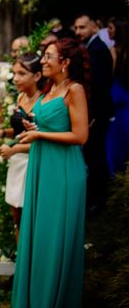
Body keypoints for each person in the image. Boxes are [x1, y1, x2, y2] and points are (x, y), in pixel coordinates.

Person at [12, 38, 89, 307]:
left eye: (49, 56)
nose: (43, 61)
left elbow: (80, 135)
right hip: (42, 166)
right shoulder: (51, 88)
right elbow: (51, 122)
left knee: (55, 235)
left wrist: (39, 134)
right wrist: (32, 126)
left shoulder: (74, 90)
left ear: (65, 63)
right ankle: (34, 296)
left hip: (63, 170)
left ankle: (52, 299)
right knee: (39, 233)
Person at [0, 53, 44, 243]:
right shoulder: (21, 97)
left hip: (33, 161)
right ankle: (20, 265)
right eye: (15, 73)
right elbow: (18, 131)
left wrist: (14, 150)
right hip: (17, 161)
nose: (15, 78)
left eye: (21, 74)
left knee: (30, 217)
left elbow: (42, 140)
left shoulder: (44, 102)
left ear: (37, 76)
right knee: (16, 216)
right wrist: (1, 133)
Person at [74, 13, 113, 213]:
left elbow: (98, 86)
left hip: (97, 113)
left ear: (94, 28)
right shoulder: (89, 47)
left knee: (95, 155)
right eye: (76, 28)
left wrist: (92, 116)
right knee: (92, 155)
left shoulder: (97, 49)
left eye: (82, 27)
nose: (78, 31)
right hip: (94, 112)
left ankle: (99, 200)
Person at [106, 20, 129, 175]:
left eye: (111, 28)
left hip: (117, 93)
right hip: (125, 95)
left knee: (115, 138)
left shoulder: (113, 50)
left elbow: (110, 74)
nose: (108, 31)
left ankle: (116, 172)